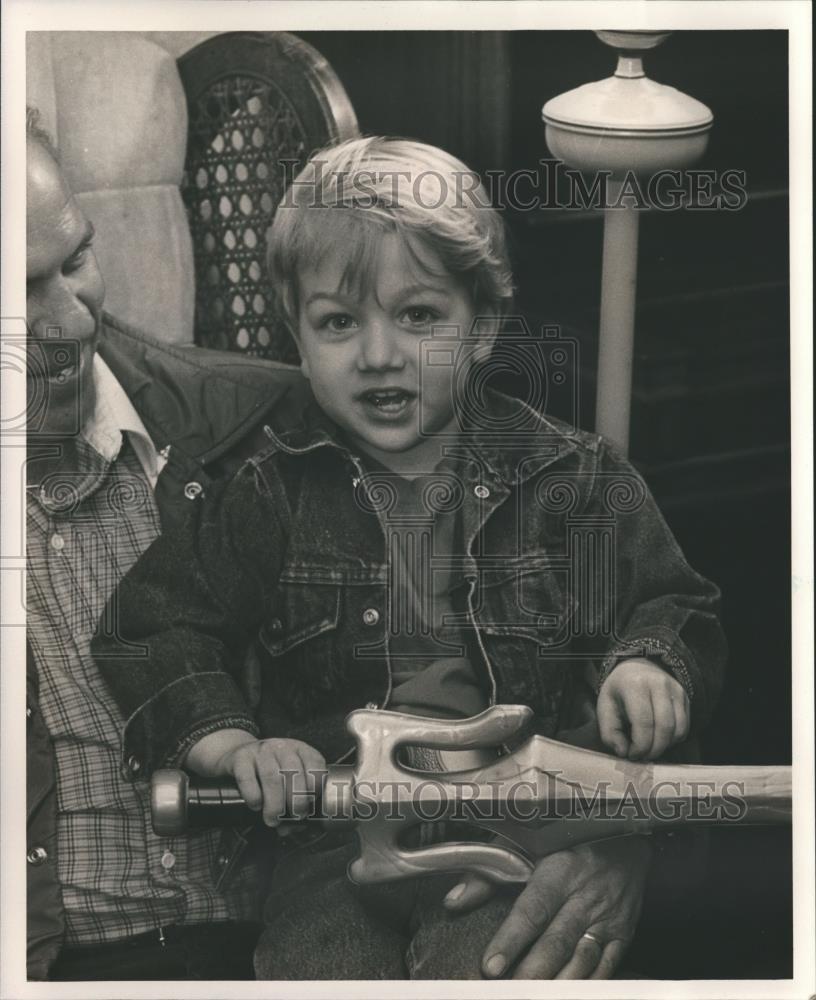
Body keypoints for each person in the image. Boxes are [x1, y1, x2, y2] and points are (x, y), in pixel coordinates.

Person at [92, 136, 727, 979]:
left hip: (518, 832)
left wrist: (649, 665)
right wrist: (232, 744)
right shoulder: (266, 492)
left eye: (419, 315)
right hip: (333, 843)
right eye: (338, 322)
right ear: (297, 334)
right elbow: (157, 625)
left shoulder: (573, 480)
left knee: (497, 966)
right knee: (321, 967)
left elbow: (670, 605)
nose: (379, 353)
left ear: (483, 327)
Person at [24, 106, 307, 981]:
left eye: (75, 262)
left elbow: (538, 570)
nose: (70, 321)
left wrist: (607, 840)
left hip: (291, 939)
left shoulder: (271, 423)